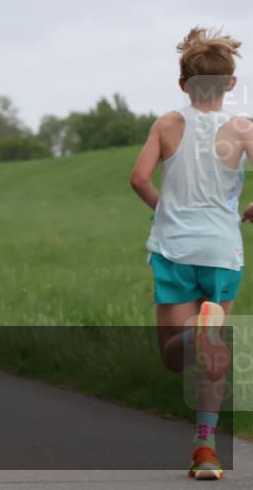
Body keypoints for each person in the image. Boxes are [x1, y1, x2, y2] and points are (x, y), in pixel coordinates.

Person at [130, 27, 250, 480]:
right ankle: (205, 448)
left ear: (183, 85)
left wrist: (166, 212)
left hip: (175, 249)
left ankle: (197, 335)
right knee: (211, 350)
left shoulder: (167, 124)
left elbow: (139, 178)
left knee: (172, 354)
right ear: (231, 85)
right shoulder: (242, 128)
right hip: (222, 250)